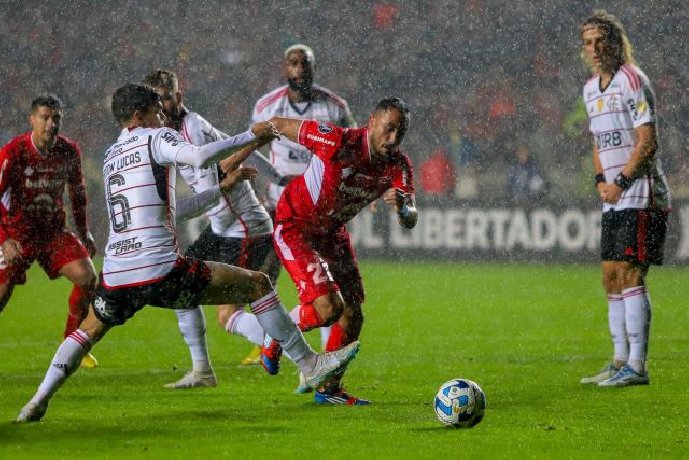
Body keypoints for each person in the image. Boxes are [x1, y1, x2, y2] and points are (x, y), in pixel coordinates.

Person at [15, 83, 359, 422]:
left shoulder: (110, 157)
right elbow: (197, 155)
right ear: (139, 115)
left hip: (118, 273)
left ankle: (38, 400)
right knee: (258, 284)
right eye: (157, 110)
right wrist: (250, 135)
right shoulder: (155, 137)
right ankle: (310, 365)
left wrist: (220, 190)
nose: (163, 116)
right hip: (161, 268)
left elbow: (176, 208)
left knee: (87, 331)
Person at [261, 97, 417, 404]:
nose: (394, 138)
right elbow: (276, 125)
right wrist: (236, 154)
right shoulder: (337, 139)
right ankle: (277, 332)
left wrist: (402, 207)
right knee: (329, 308)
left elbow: (411, 217)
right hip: (296, 226)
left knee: (352, 315)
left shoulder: (399, 165)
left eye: (401, 132)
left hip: (332, 233)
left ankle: (328, 389)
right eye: (389, 129)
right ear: (372, 121)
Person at [141, 69, 289, 389]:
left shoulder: (191, 127)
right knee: (180, 289)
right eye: (157, 99)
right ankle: (202, 371)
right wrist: (274, 173)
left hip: (244, 227)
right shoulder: (168, 133)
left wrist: (168, 212)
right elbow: (239, 142)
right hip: (221, 226)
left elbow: (213, 187)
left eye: (168, 96)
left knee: (227, 314)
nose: (164, 105)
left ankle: (291, 350)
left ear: (178, 97)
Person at [579, 10, 670, 387]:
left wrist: (622, 180)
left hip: (642, 193)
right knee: (610, 276)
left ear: (616, 43)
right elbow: (599, 143)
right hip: (613, 195)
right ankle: (619, 360)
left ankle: (638, 365)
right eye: (588, 42)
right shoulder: (589, 90)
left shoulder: (632, 81)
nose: (596, 49)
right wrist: (602, 181)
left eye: (602, 40)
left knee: (632, 274)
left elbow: (648, 140)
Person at [250, 44, 357, 357]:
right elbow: (253, 149)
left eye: (305, 63)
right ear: (285, 68)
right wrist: (268, 181)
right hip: (277, 204)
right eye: (293, 63)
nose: (299, 69)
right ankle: (269, 335)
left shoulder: (334, 107)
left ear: (313, 68)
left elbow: (349, 151)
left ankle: (312, 352)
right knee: (266, 273)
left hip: (322, 207)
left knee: (329, 281)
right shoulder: (267, 106)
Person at [0, 94, 99, 369]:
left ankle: (71, 345)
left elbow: (78, 195)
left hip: (52, 232)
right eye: (44, 118)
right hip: (15, 233)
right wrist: (5, 239)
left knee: (87, 278)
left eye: (56, 118)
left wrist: (85, 232)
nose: (50, 124)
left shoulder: (68, 151)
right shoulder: (13, 152)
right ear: (32, 119)